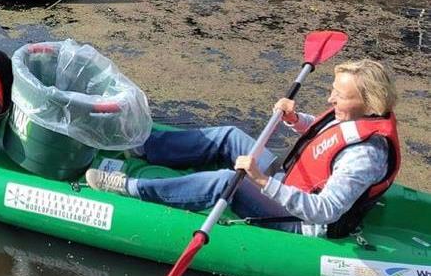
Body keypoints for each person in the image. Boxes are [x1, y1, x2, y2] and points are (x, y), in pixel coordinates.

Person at [86, 59, 401, 238]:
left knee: (227, 182)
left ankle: (132, 188)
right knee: (230, 135)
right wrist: (294, 118)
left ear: (369, 102)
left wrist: (261, 181)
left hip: (303, 219)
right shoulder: (355, 114)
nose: (331, 100)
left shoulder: (365, 155)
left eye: (340, 96)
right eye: (334, 91)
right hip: (292, 180)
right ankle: (144, 147)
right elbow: (323, 134)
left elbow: (326, 211)